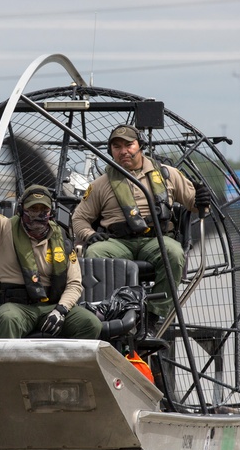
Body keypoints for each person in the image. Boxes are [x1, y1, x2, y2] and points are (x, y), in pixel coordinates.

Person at [0, 143, 102, 340]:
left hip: (52, 306)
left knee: (90, 323)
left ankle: (72, 371)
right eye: (32, 210)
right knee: (7, 318)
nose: (38, 215)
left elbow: (74, 283)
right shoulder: (2, 229)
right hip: (17, 308)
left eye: (43, 211)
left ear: (50, 213)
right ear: (21, 211)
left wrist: (60, 310)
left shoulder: (62, 238)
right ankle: (8, 371)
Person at [71, 124, 211, 322]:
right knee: (95, 254)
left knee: (174, 253)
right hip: (118, 242)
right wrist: (90, 235)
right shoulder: (100, 185)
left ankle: (154, 316)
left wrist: (203, 200)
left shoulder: (167, 175)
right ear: (111, 151)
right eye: (117, 147)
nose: (124, 151)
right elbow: (79, 218)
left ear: (140, 146)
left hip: (156, 240)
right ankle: (105, 315)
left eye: (129, 145)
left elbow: (196, 205)